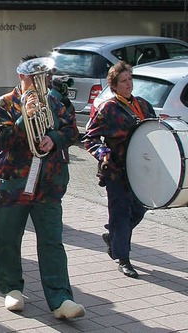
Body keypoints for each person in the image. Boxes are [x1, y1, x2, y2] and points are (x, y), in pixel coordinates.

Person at [0, 56, 84, 318]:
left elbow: (72, 131)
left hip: (48, 183)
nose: (41, 82)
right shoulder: (5, 104)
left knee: (52, 242)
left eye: (45, 76)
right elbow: (1, 138)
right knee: (8, 240)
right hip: (13, 184)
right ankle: (11, 289)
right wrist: (24, 118)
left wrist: (54, 138)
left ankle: (61, 299)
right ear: (21, 77)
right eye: (35, 77)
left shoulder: (55, 101)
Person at [84, 61, 155, 279]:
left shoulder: (143, 105)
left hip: (140, 171)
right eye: (123, 81)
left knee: (139, 210)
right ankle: (123, 259)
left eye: (130, 79)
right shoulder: (109, 108)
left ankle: (114, 237)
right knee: (121, 214)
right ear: (114, 86)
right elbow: (90, 138)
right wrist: (102, 152)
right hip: (116, 170)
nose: (128, 84)